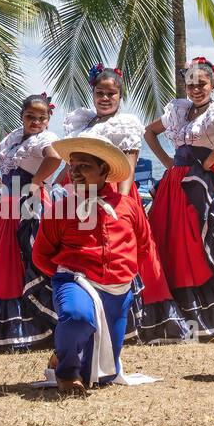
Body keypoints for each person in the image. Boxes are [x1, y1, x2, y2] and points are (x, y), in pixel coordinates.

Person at [64, 64, 188, 344]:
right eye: (100, 93)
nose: (105, 98)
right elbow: (70, 165)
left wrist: (120, 205)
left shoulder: (127, 124)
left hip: (113, 196)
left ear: (120, 95)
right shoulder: (81, 123)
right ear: (92, 93)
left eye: (112, 93)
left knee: (118, 253)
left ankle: (127, 318)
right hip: (80, 194)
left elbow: (128, 168)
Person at [32, 136, 166, 394]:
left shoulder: (127, 206)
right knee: (77, 316)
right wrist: (66, 281)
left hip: (118, 288)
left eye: (84, 166)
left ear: (104, 170)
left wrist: (125, 273)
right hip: (75, 279)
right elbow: (41, 255)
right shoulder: (60, 209)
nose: (74, 172)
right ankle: (67, 373)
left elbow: (143, 244)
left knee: (104, 375)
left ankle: (61, 355)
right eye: (72, 165)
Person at [144, 57, 214, 337]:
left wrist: (211, 160)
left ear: (212, 85)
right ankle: (176, 310)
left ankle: (210, 312)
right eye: (191, 83)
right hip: (174, 184)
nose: (195, 88)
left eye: (201, 83)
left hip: (201, 185)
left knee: (198, 243)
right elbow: (149, 132)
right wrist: (168, 163)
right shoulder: (180, 111)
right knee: (171, 242)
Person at [0, 94, 62, 350]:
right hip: (10, 203)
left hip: (29, 204)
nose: (36, 121)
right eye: (31, 116)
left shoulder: (45, 139)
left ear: (48, 120)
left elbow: (55, 158)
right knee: (4, 261)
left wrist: (36, 182)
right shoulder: (15, 138)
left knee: (26, 259)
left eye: (42, 118)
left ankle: (39, 322)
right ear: (22, 115)